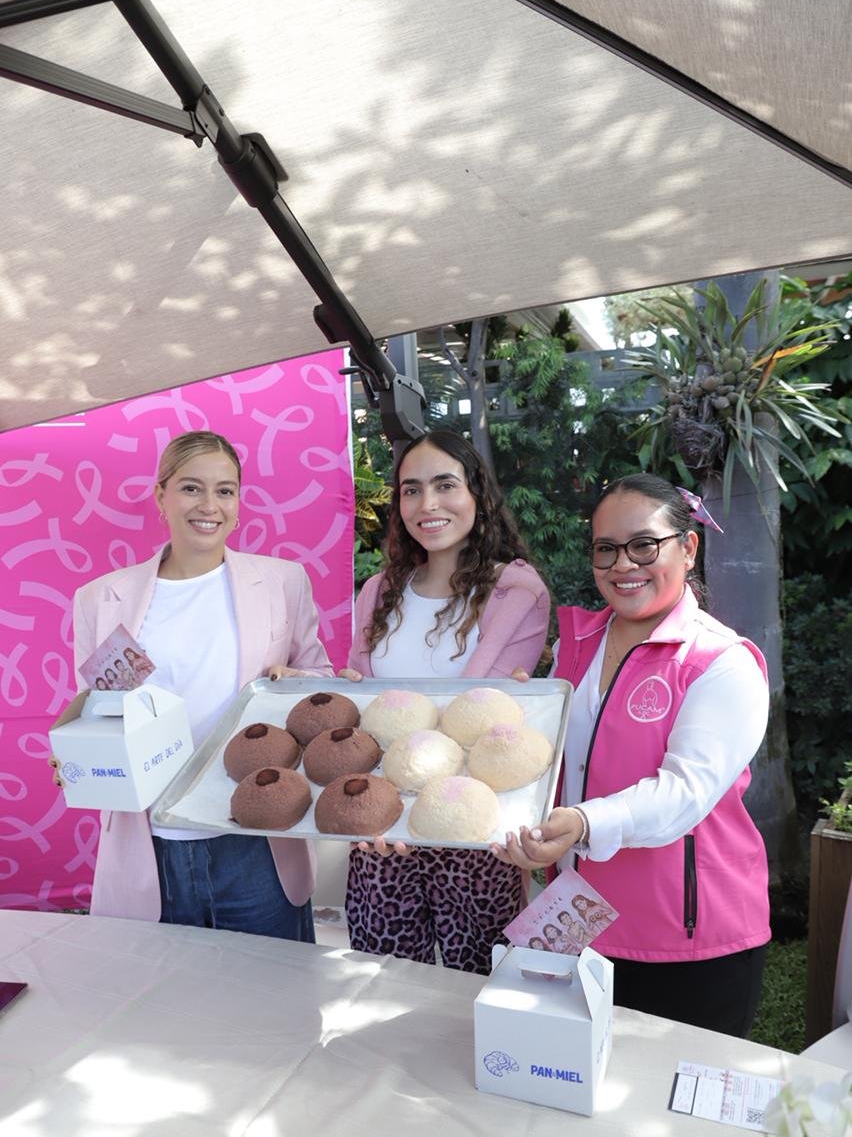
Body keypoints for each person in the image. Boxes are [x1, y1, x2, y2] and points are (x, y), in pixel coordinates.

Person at [494, 473, 770, 1036]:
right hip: (579, 923)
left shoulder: (722, 662)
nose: (624, 564)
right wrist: (521, 721)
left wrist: (582, 821)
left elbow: (683, 794)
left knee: (670, 1110)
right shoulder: (576, 645)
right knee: (571, 1092)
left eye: (645, 544)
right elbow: (558, 766)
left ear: (688, 548)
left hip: (688, 936)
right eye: (606, 549)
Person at [51, 430, 332, 939]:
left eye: (225, 490)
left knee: (271, 1009)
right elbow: (96, 708)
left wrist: (297, 683)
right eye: (190, 488)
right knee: (163, 1011)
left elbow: (320, 683)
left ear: (239, 502)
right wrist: (74, 754)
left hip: (255, 835)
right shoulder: (101, 598)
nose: (210, 505)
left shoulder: (282, 582)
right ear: (160, 495)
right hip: (150, 840)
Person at [341, 430, 549, 973]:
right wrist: (380, 813)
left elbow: (490, 723)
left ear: (477, 494)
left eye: (445, 485)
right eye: (411, 489)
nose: (426, 504)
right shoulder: (378, 592)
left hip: (474, 828)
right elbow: (361, 704)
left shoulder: (516, 591)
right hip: (382, 829)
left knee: (478, 983)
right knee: (380, 978)